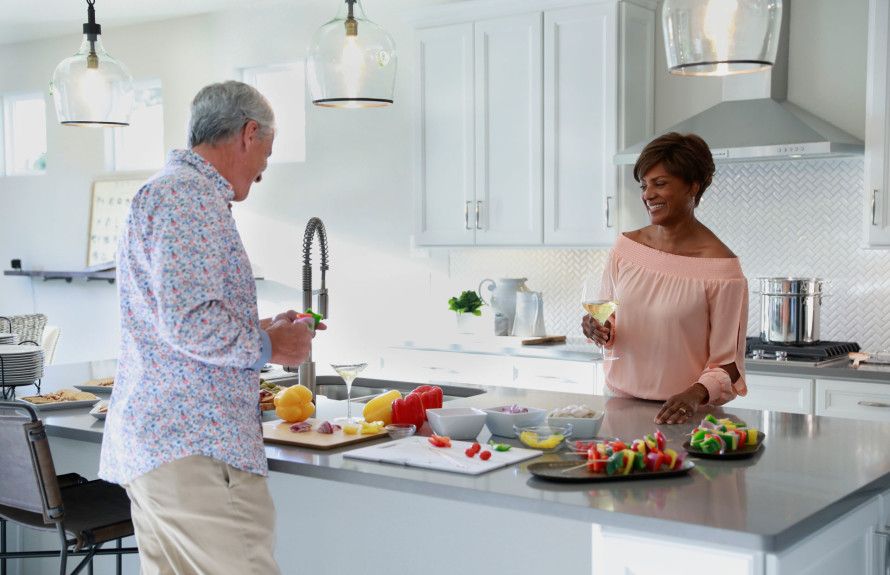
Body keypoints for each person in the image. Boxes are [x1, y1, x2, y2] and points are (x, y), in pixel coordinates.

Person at [100, 81, 320, 574]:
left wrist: (260, 327)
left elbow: (172, 320)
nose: (266, 164)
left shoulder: (167, 192)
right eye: (268, 146)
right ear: (248, 134)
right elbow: (189, 322)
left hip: (162, 445)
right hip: (196, 445)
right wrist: (268, 345)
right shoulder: (191, 198)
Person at [581, 132, 748, 425]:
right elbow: (611, 323)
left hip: (686, 418)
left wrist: (694, 394)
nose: (647, 194)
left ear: (692, 187)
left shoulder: (722, 270)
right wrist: (599, 330)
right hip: (618, 408)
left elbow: (729, 366)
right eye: (644, 185)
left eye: (660, 184)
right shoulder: (625, 249)